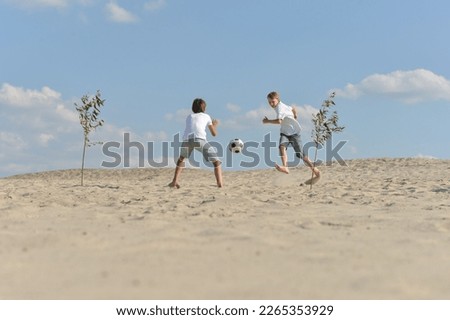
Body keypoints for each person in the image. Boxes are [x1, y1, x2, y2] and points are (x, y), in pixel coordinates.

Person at [262, 91, 320, 180]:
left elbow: (279, 121)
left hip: (294, 133)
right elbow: (292, 108)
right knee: (281, 147)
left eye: (272, 101)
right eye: (269, 102)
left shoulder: (280, 109)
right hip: (285, 132)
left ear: (277, 99)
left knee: (302, 156)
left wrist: (267, 121)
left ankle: (315, 170)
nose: (271, 104)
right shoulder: (282, 106)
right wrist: (295, 115)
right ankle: (286, 167)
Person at [169, 98, 223, 188]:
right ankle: (220, 183)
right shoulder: (206, 116)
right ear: (203, 108)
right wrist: (215, 125)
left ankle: (175, 181)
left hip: (187, 140)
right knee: (216, 162)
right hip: (199, 139)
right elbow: (214, 134)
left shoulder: (189, 116)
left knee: (181, 159)